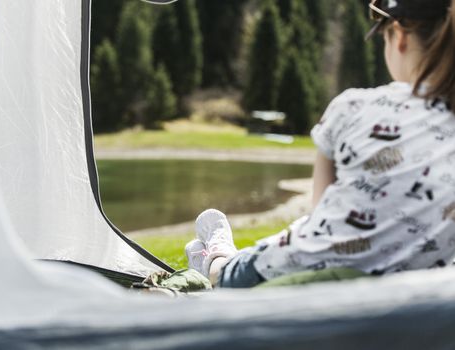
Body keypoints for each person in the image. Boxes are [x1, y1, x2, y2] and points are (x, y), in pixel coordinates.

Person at [185, 0, 455, 288]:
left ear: (399, 36)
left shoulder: (352, 106)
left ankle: (216, 254)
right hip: (414, 295)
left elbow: (321, 213)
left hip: (307, 269)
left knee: (227, 274)